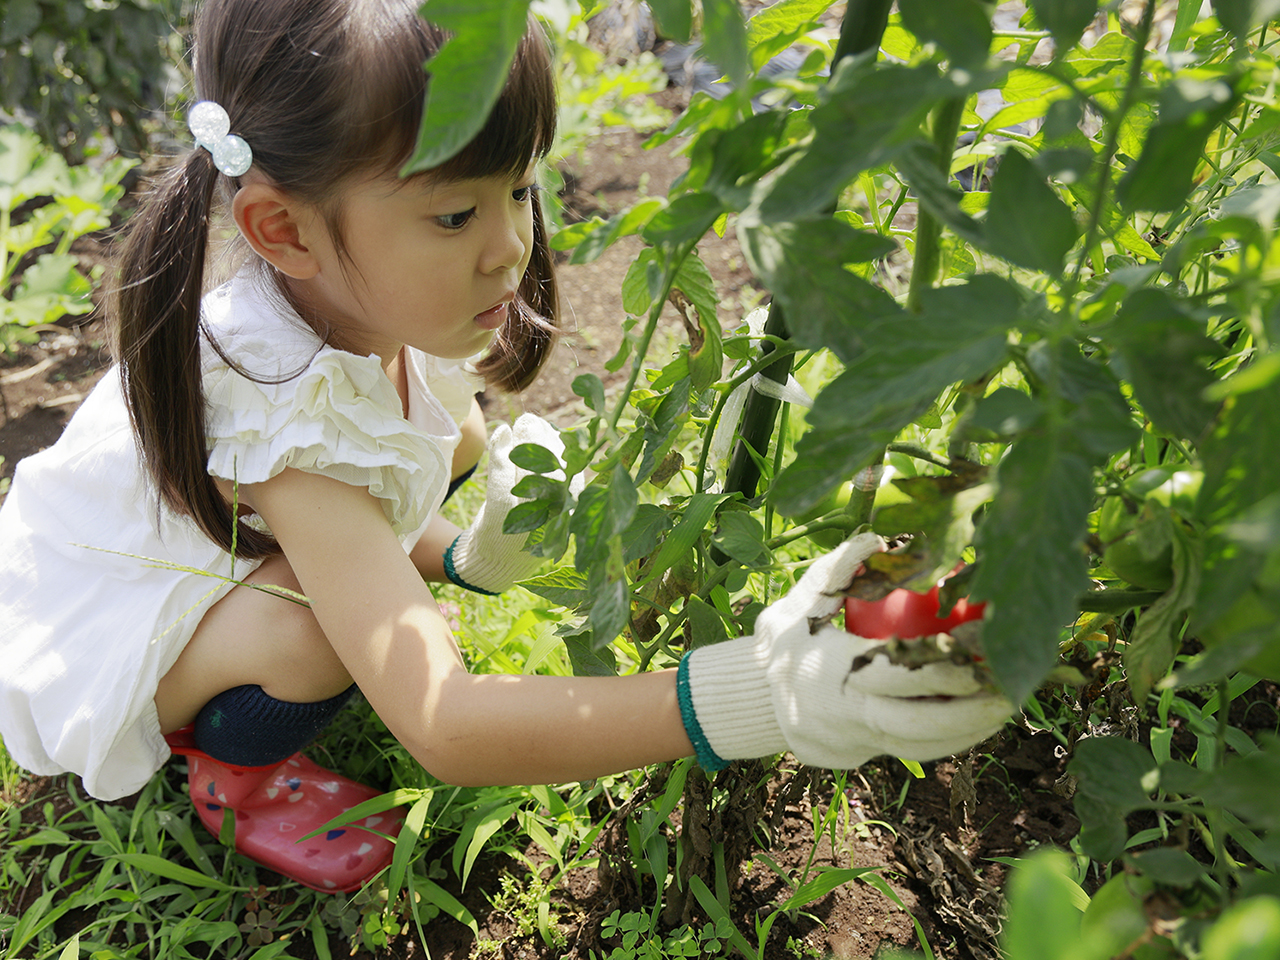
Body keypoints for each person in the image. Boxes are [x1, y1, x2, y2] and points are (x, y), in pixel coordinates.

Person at [0, 0, 1012, 894]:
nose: (510, 246)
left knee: (460, 443)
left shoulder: (373, 305)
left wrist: (471, 559)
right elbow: (445, 724)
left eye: (519, 190)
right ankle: (237, 772)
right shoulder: (283, 420)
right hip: (97, 609)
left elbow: (407, 487)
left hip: (229, 529)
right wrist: (765, 692)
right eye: (454, 212)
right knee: (311, 635)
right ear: (285, 231)